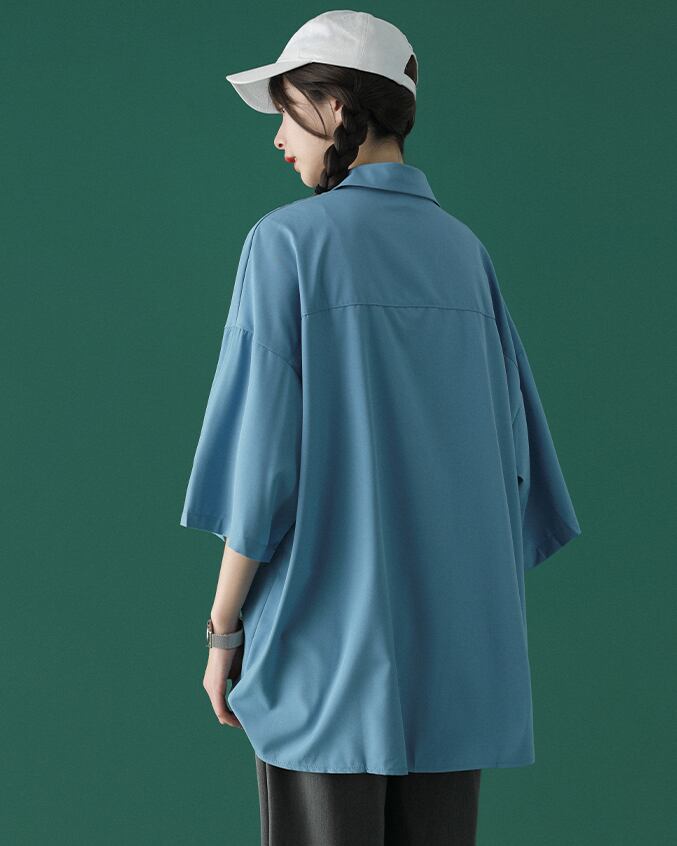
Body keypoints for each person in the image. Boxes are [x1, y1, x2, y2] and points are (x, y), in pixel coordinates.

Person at [179, 10, 582, 846]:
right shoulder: (464, 254)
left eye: (287, 111)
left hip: (324, 659)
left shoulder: (286, 245)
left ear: (333, 107)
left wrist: (222, 633)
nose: (278, 138)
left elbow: (259, 472)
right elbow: (518, 469)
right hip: (454, 664)